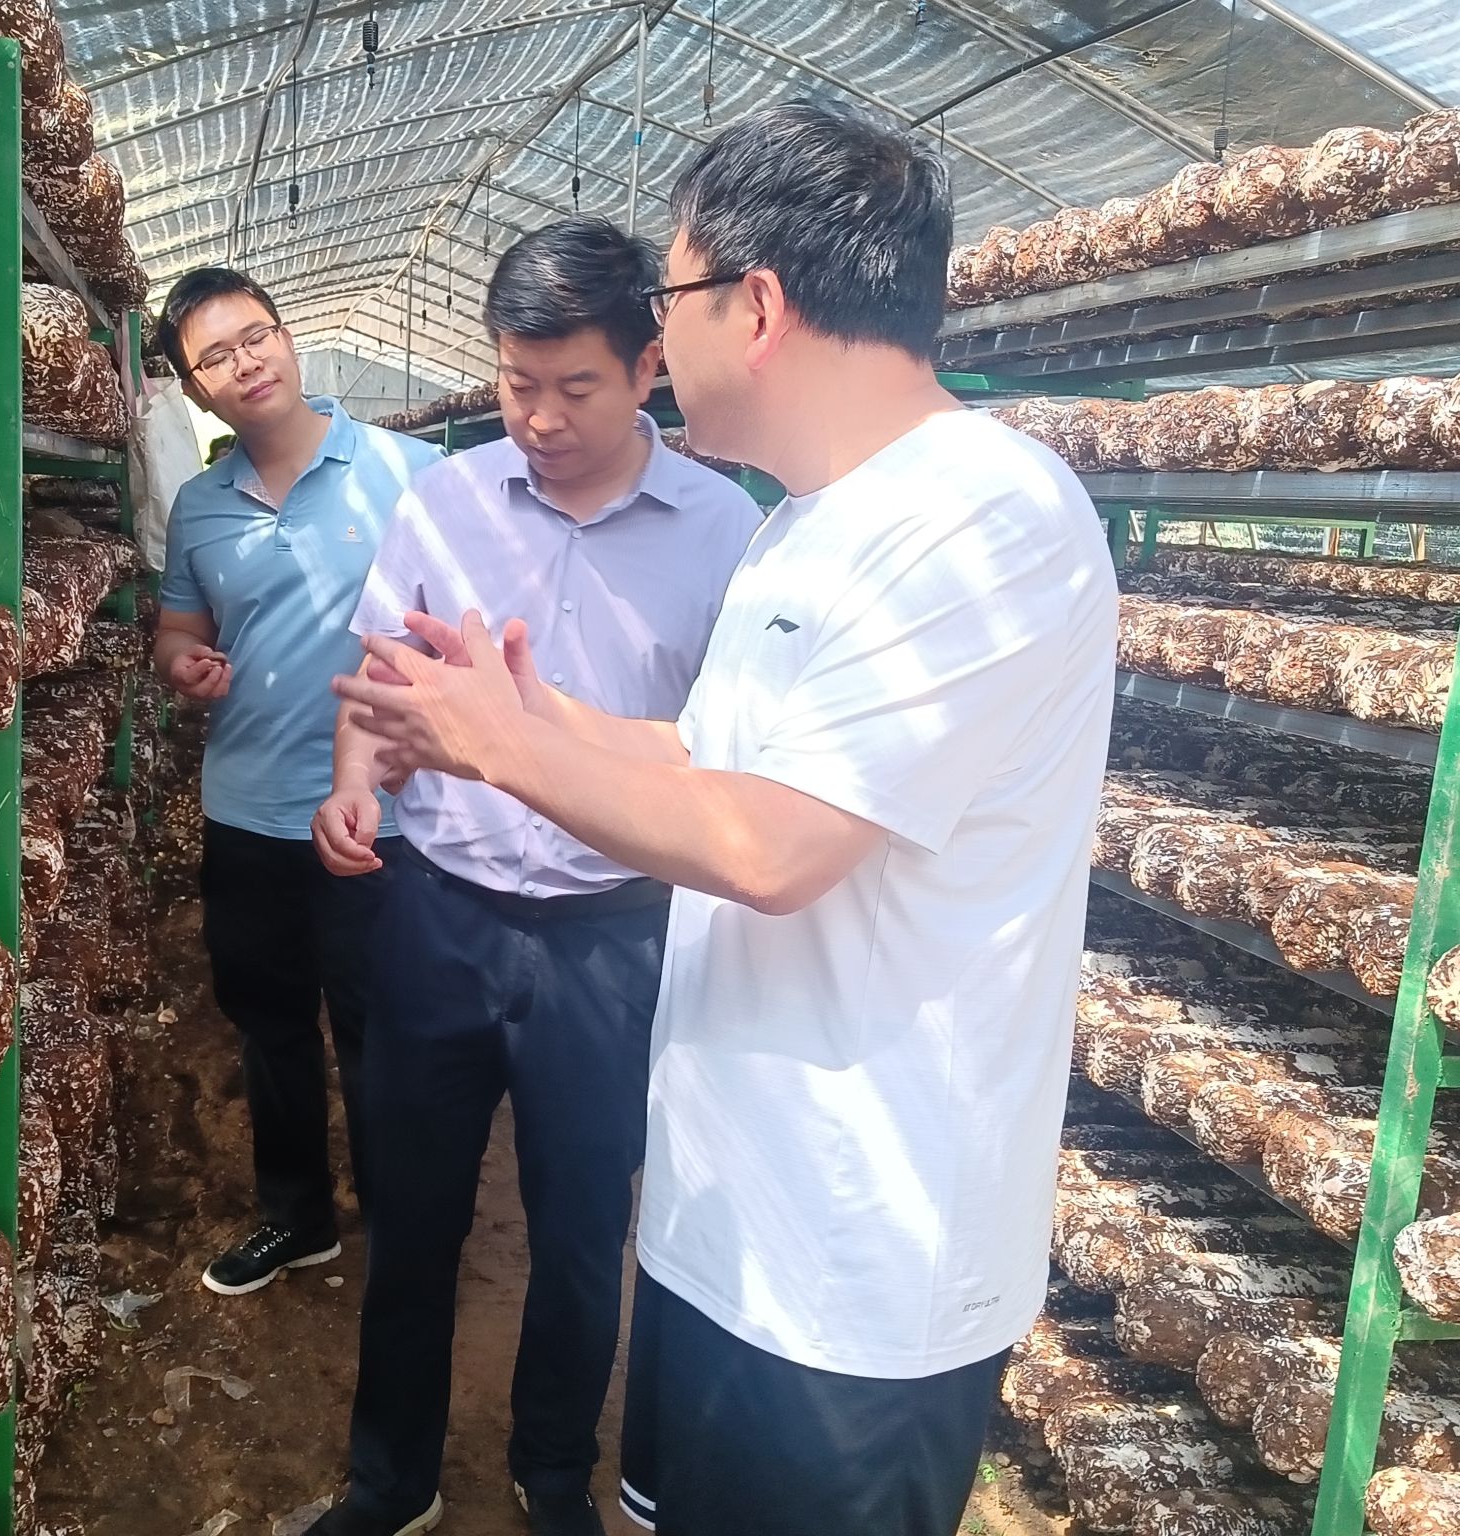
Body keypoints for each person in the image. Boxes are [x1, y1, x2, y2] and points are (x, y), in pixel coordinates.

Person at [334, 104, 1118, 1536]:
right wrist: (530, 712)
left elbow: (771, 845)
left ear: (750, 307)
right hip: (738, 1221)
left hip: (856, 1261)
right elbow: (707, 758)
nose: (661, 330)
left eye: (671, 293)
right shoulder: (805, 523)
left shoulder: (978, 518)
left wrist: (501, 749)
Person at [308, 218, 763, 1536]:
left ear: (647, 368)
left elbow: (729, 753)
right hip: (441, 913)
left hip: (612, 935)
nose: (541, 418)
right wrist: (355, 784)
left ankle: (553, 1470)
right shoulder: (445, 502)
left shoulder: (725, 532)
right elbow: (382, 680)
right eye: (517, 383)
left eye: (575, 387)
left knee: (578, 1222)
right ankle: (389, 1479)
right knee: (412, 1212)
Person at [153, 266, 443, 1297]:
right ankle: (297, 1217)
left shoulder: (406, 471)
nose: (245, 363)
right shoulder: (199, 507)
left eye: (255, 336)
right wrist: (184, 665)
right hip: (246, 811)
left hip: (383, 819)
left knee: (381, 1028)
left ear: (287, 338)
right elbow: (178, 628)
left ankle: (402, 1223)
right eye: (214, 358)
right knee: (268, 1023)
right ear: (195, 391)